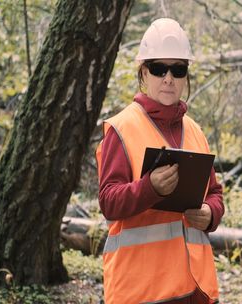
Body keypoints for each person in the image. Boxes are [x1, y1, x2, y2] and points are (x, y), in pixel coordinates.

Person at [96, 18, 224, 304]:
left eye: (178, 70)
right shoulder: (122, 128)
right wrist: (149, 187)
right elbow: (108, 202)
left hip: (194, 289)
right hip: (141, 292)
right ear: (144, 73)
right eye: (159, 68)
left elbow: (214, 192)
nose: (169, 78)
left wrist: (210, 213)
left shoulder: (194, 130)